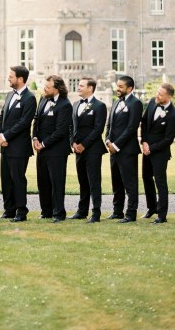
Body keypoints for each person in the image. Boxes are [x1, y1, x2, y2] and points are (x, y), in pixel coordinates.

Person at [0, 65, 36, 222]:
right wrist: (0, 134)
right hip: (5, 145)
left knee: (18, 179)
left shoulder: (29, 98)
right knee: (5, 178)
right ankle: (9, 210)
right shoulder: (9, 95)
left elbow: (24, 122)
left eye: (11, 76)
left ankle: (21, 211)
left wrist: (6, 136)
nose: (8, 78)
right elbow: (2, 116)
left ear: (20, 79)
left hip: (19, 147)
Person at [32, 75, 72, 223]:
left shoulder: (65, 105)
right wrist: (35, 138)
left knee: (57, 182)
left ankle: (59, 213)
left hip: (57, 150)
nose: (44, 89)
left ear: (57, 89)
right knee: (42, 181)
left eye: (47, 87)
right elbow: (36, 120)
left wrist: (43, 144)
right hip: (41, 148)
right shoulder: (43, 99)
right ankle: (46, 211)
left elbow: (61, 130)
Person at [141, 83, 175, 224]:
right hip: (146, 149)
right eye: (157, 92)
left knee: (160, 182)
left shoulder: (174, 116)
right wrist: (144, 142)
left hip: (160, 153)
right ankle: (152, 208)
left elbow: (168, 139)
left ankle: (162, 215)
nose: (157, 95)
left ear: (169, 97)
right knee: (146, 178)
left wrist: (151, 148)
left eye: (160, 94)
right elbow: (144, 122)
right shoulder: (152, 102)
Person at [69, 77, 107, 223]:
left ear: (90, 88)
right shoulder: (75, 104)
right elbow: (71, 126)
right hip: (78, 150)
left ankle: (96, 213)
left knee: (94, 181)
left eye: (81, 86)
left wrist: (84, 144)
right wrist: (73, 143)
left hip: (92, 149)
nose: (78, 87)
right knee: (82, 181)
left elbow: (98, 129)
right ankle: (82, 211)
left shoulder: (99, 106)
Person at [105, 75, 143, 223]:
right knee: (116, 182)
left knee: (130, 183)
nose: (117, 88)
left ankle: (131, 214)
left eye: (121, 86)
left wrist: (116, 145)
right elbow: (109, 124)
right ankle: (117, 211)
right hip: (113, 150)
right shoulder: (115, 102)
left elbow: (131, 128)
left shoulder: (135, 103)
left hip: (127, 151)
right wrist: (107, 140)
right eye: (117, 86)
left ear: (130, 88)